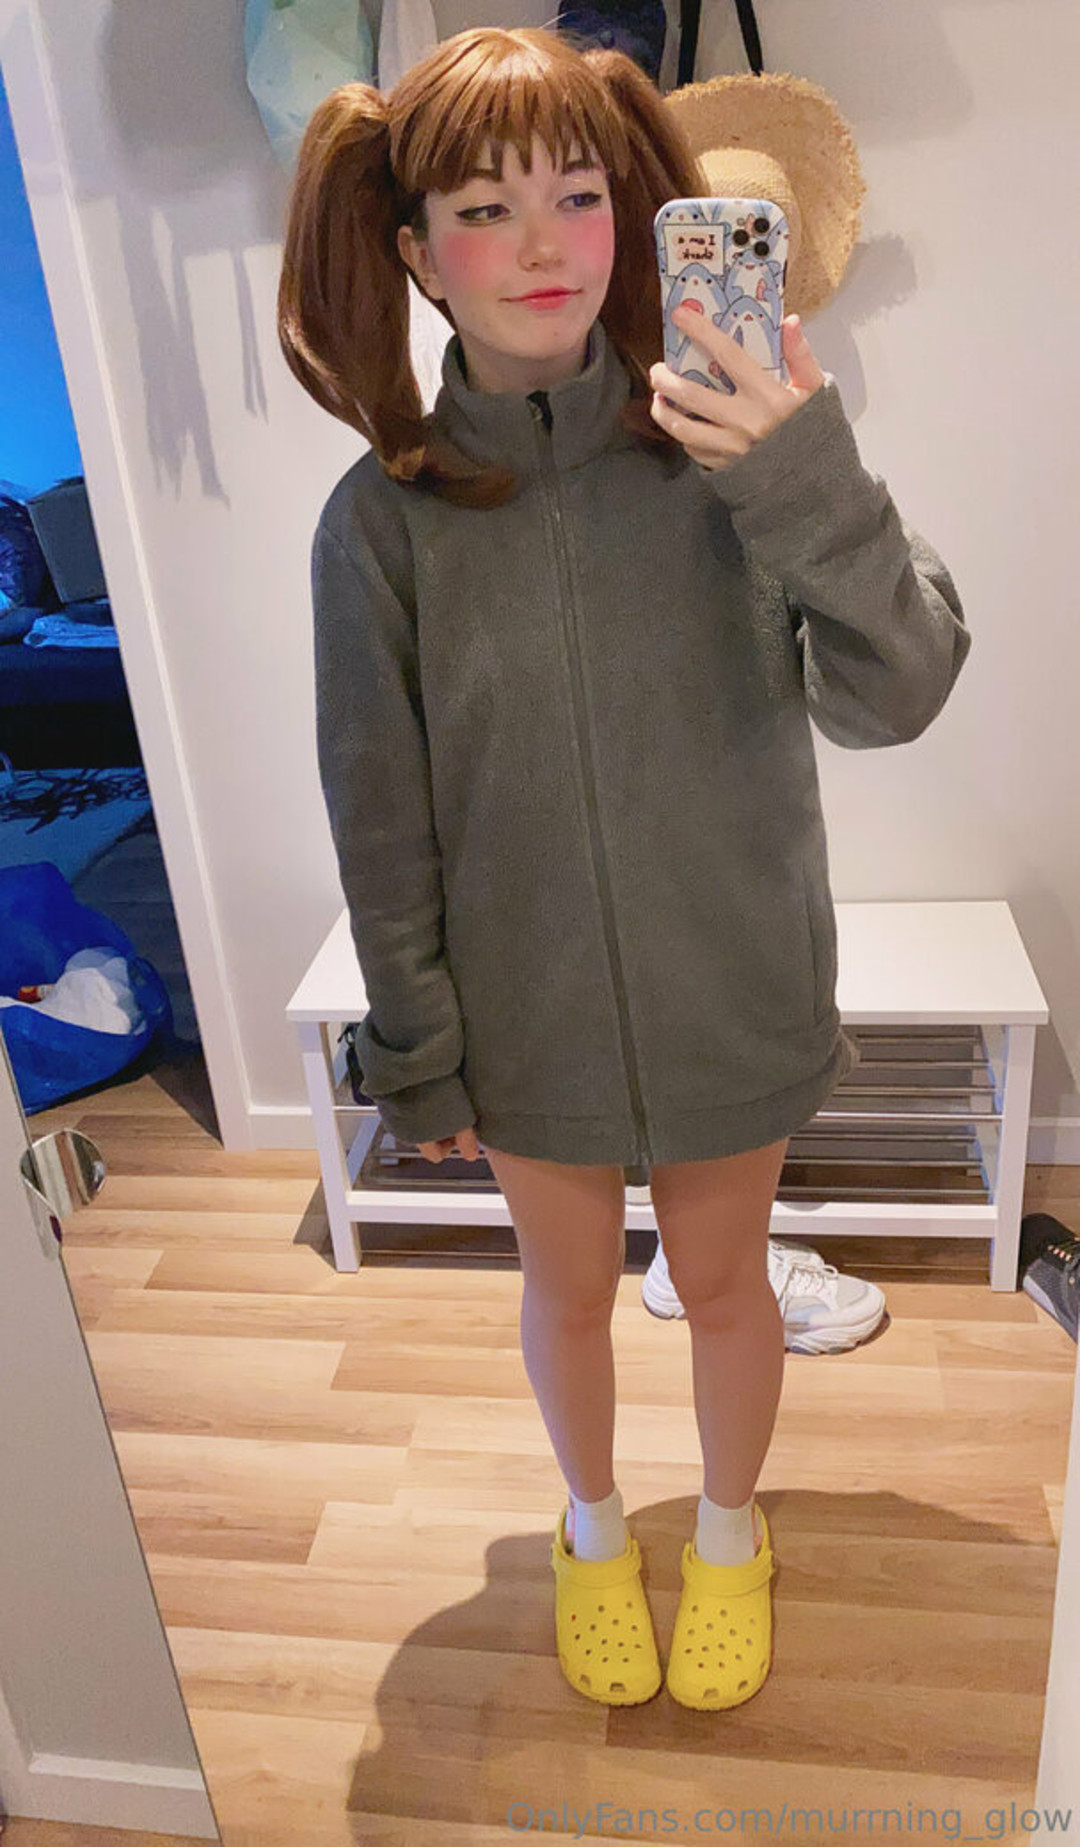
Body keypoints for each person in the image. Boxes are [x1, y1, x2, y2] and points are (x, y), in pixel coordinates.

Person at [278, 25, 971, 1711]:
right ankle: (593, 1528)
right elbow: (382, 809)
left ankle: (731, 1534)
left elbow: (901, 690)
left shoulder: (735, 458)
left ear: (640, 217)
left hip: (732, 977)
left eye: (580, 196)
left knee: (725, 1284)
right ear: (415, 252)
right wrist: (419, 1041)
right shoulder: (381, 524)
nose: (543, 244)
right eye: (485, 209)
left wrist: (800, 462)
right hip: (527, 1017)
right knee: (569, 1291)